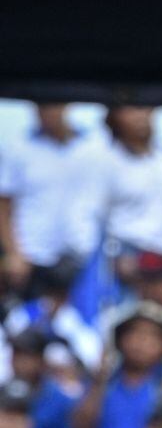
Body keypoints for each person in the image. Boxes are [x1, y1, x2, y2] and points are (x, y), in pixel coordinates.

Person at [69, 105, 162, 272]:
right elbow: (86, 216)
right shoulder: (105, 161)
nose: (140, 116)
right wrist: (100, 266)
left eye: (144, 108)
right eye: (131, 110)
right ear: (115, 117)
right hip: (124, 263)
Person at [70, 302, 162, 428]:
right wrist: (99, 381)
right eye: (134, 333)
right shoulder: (103, 382)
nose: (141, 342)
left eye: (152, 336)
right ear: (119, 339)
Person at [0, 103, 90, 298]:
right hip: (32, 257)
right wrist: (14, 254)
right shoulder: (17, 148)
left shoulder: (90, 147)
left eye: (52, 105)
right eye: (40, 106)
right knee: (27, 323)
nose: (46, 112)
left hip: (80, 257)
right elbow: (4, 206)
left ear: (67, 105)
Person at [99, 251, 162, 373]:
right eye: (146, 278)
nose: (151, 285)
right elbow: (108, 363)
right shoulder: (118, 312)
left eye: (159, 279)